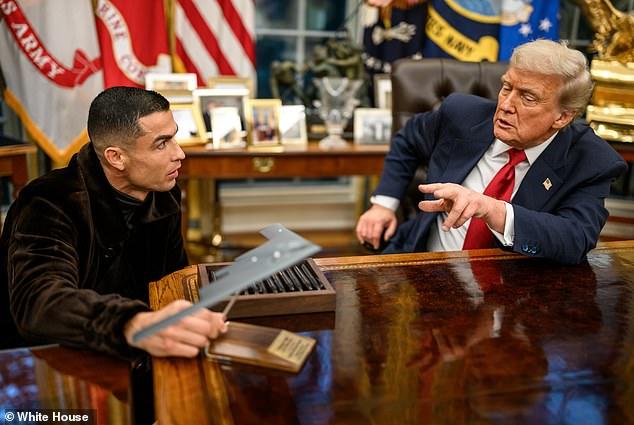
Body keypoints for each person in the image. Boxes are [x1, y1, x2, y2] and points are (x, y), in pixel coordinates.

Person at [0, 87, 227, 359]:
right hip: (42, 359)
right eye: (161, 144)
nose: (179, 154)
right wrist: (130, 323)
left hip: (137, 351)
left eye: (174, 137)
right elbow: (39, 303)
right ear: (115, 157)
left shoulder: (164, 194)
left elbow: (173, 282)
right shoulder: (49, 201)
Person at [356, 39, 628, 265]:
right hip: (423, 266)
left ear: (562, 117)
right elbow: (407, 139)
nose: (506, 105)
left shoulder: (590, 160)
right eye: (506, 87)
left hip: (513, 294)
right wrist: (383, 205)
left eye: (528, 98)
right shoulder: (461, 114)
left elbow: (575, 239)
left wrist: (492, 209)